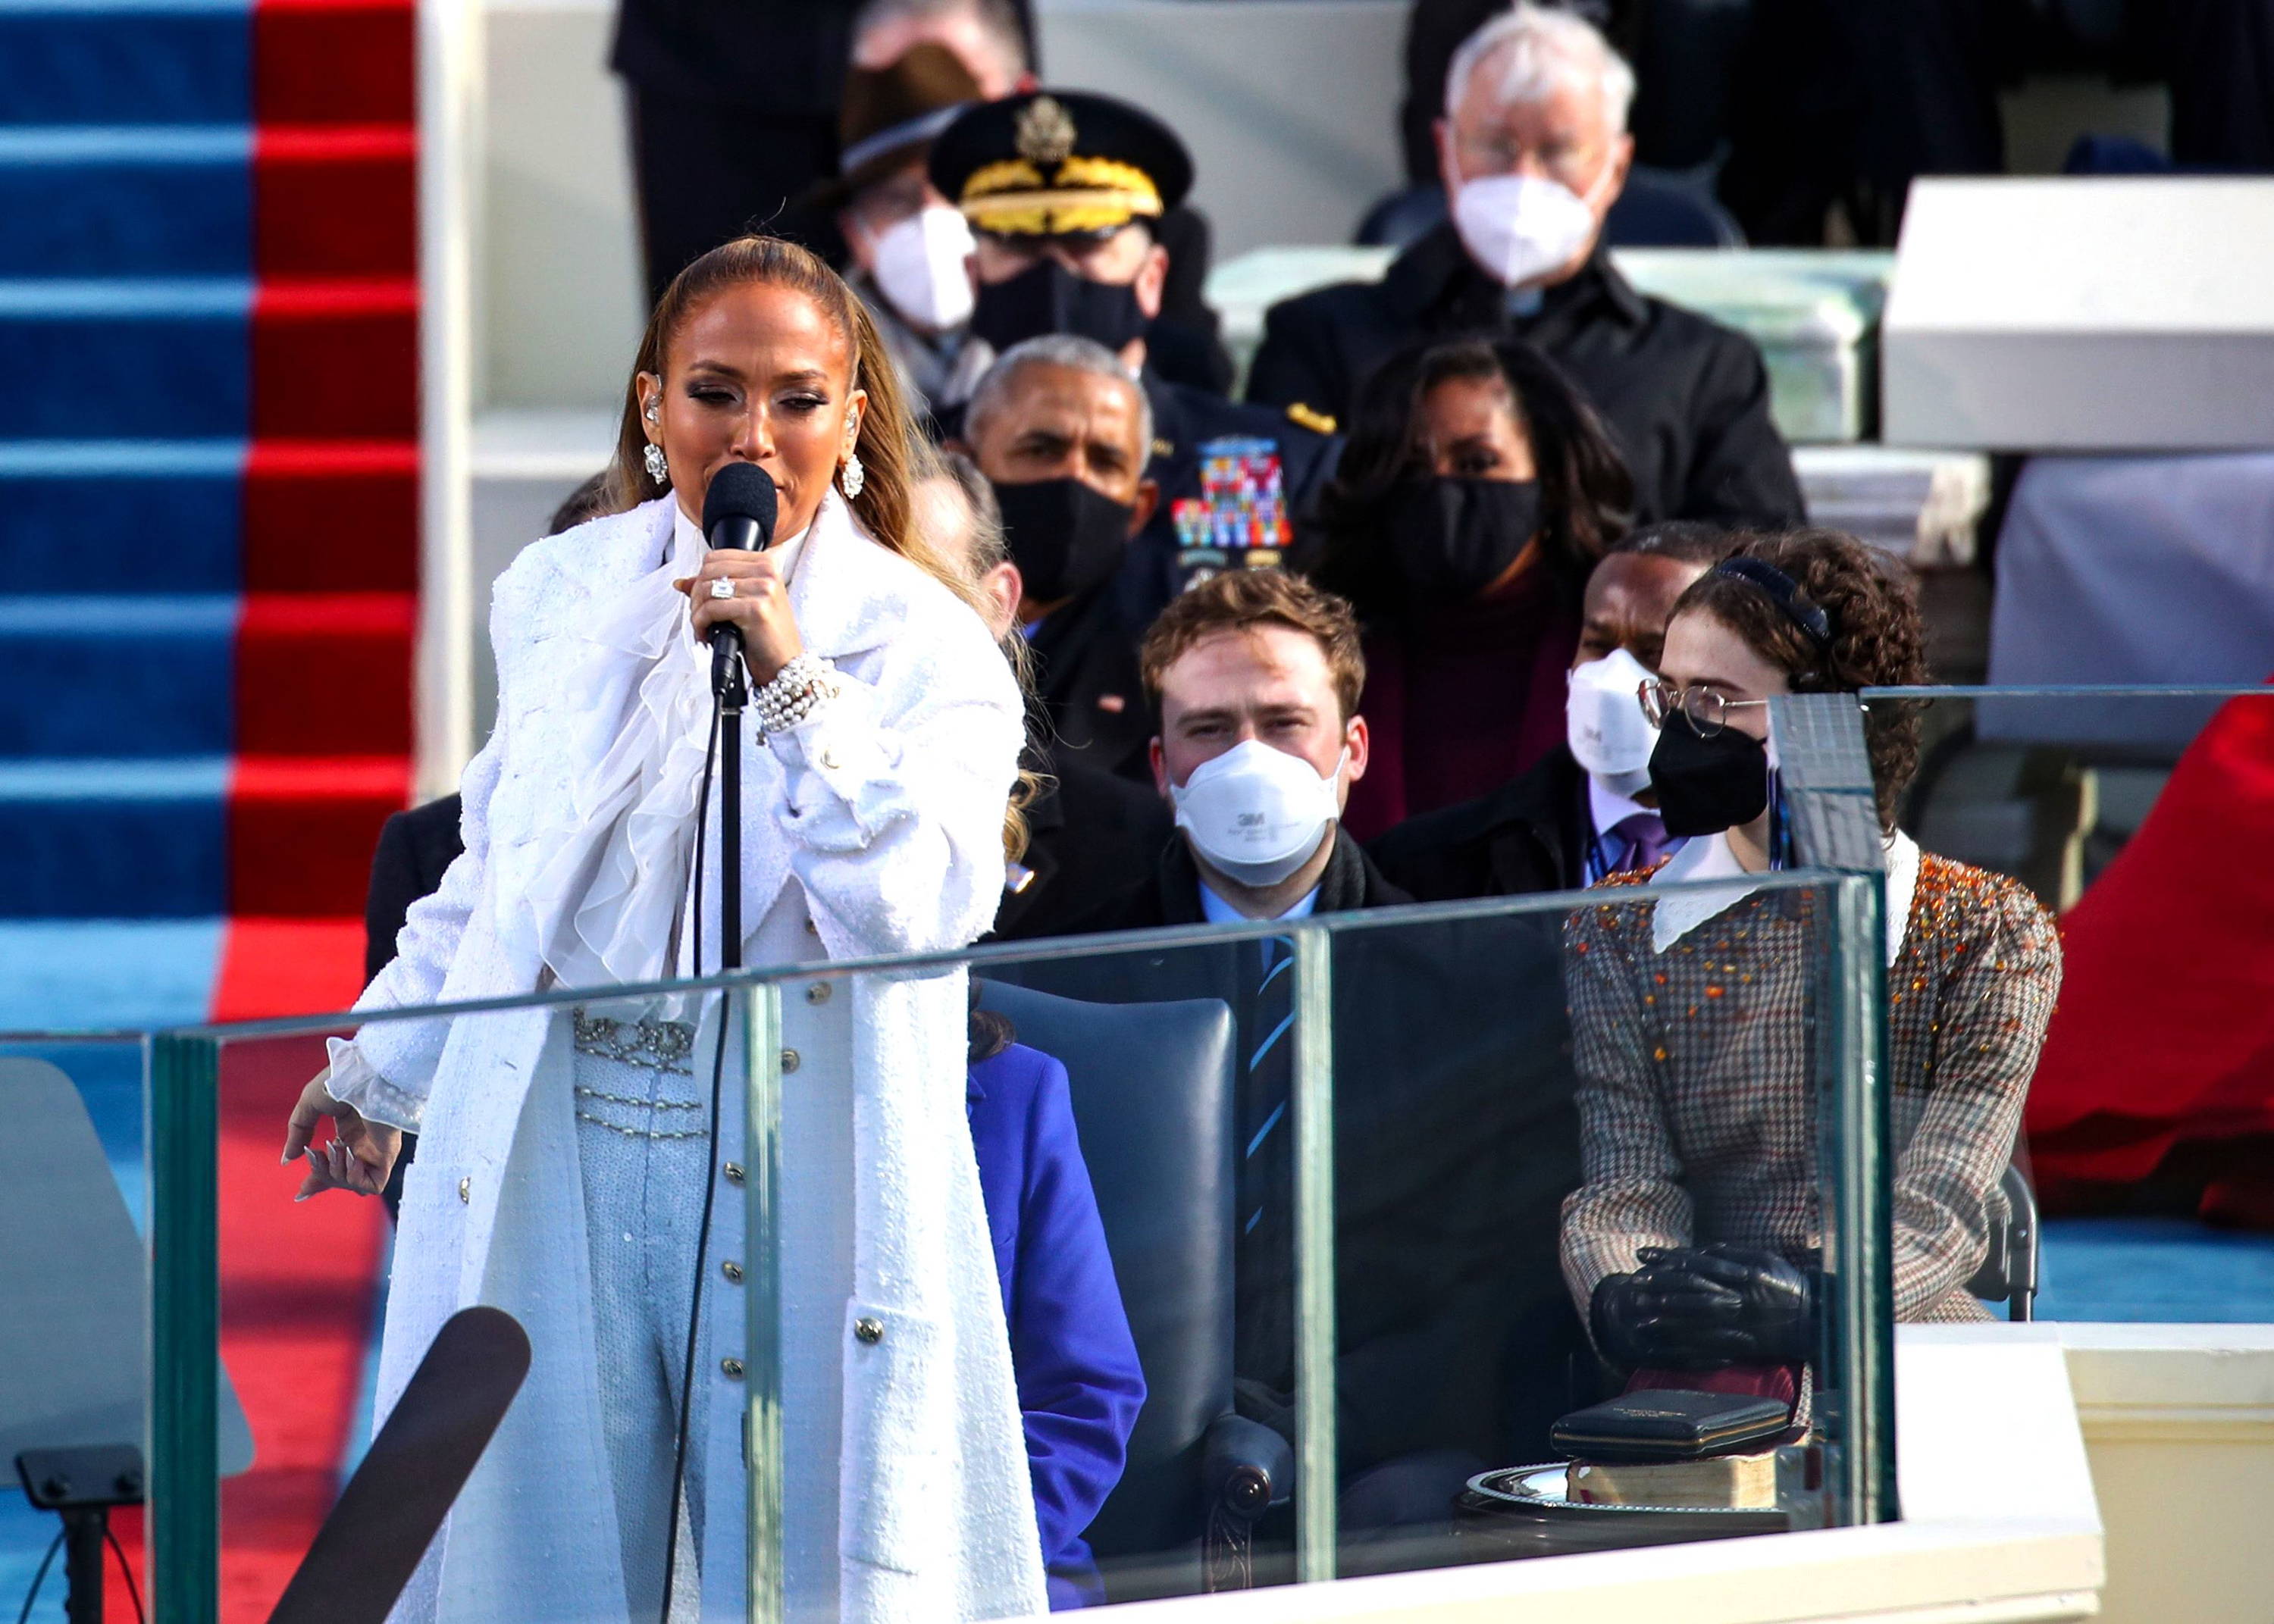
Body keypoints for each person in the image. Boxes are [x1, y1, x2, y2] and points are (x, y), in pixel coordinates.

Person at [284, 235, 1045, 1621]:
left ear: (855, 418)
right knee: (543, 1545)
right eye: (715, 391)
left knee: (795, 1553)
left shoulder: (924, 645)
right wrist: (381, 1067)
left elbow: (918, 906)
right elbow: (498, 864)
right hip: (567, 1123)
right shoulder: (569, 593)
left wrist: (794, 673)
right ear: (652, 406)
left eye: (799, 398)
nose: (755, 434)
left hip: (796, 1138)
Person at [1060, 569, 1584, 1550]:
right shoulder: (1075, 980)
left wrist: (1313, 1419)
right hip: (1135, 1446)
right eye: (1209, 728)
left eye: (1284, 722)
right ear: (1163, 768)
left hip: (1388, 1455)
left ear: (1351, 751)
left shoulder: (1476, 977)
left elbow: (1497, 1282)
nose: (1247, 756)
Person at [1562, 530, 2063, 1381]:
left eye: (1716, 701)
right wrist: (1623, 1289)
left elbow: (1944, 1201)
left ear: (1832, 719)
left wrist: (1820, 1301)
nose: (1683, 730)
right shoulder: (1616, 927)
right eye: (1672, 697)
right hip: (1697, 1351)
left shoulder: (1990, 932)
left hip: (1906, 1342)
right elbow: (1626, 1180)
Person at [1248, 4, 1804, 533]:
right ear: (1444, 149)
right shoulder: (1322, 341)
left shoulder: (1700, 369)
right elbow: (1280, 548)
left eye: (1559, 150)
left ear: (1616, 166)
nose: (1524, 177)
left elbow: (1761, 570)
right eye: (1495, 144)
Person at [929, 88, 1337, 616]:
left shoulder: (1284, 462)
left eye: (1086, 246)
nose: (1054, 276)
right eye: (1020, 246)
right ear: (974, 278)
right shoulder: (907, 457)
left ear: (1152, 278)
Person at [1306, 332, 1635, 840]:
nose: (1442, 487)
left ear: (1548, 478)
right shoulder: (1322, 659)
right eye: (1413, 467)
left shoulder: (1619, 654)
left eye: (1477, 462)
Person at [1367, 519, 1734, 900]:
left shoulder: (1788, 854)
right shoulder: (1426, 866)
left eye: (1653, 652)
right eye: (1598, 644)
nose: (1614, 674)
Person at [916, 447, 1175, 937]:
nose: (879, 623)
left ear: (997, 604)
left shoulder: (1130, 840)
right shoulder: (734, 805)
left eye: (926, 588)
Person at [954, 335, 1161, 784]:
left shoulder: (1166, 672)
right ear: (963, 469)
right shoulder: (887, 613)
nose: (1073, 477)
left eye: (1105, 461)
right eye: (1042, 449)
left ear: (1140, 508)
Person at [824, 43, 994, 418]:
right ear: (855, 233)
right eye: (899, 200)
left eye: (954, 191)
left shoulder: (1042, 335)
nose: (932, 218)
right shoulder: (816, 358)